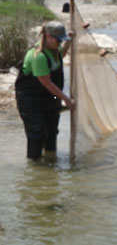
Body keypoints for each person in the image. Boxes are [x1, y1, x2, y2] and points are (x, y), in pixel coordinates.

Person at [15, 21, 75, 160]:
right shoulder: (39, 56)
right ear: (48, 36)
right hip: (30, 98)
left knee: (52, 131)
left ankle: (50, 159)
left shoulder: (54, 50)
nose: (60, 43)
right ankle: (34, 166)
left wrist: (68, 41)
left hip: (50, 97)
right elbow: (46, 82)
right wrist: (66, 99)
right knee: (37, 132)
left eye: (62, 40)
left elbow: (62, 53)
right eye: (59, 40)